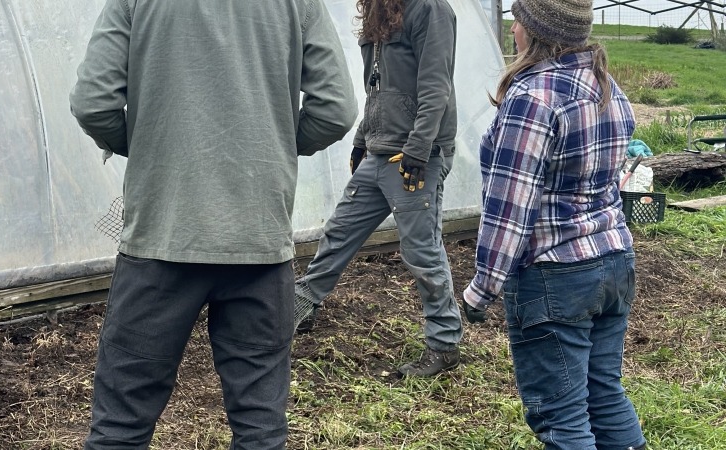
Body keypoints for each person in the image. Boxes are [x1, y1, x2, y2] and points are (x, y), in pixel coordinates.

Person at [69, 0, 357, 448]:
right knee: (260, 425)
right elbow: (336, 109)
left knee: (120, 426)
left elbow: (93, 102)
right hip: (259, 240)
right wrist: (273, 138)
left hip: (160, 240)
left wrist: (149, 144)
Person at [461, 0, 646, 448]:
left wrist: (481, 288)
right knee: (604, 394)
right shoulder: (606, 86)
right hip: (613, 261)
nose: (512, 31)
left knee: (562, 417)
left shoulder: (533, 97)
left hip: (556, 276)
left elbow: (510, 208)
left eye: (518, 21)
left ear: (536, 31)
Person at [293, 0, 462, 378]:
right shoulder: (380, 9)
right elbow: (377, 86)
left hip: (415, 154)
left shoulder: (430, 9)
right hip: (380, 148)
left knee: (421, 251)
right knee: (340, 231)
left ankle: (444, 344)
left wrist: (418, 151)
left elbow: (436, 85)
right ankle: (301, 305)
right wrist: (361, 138)